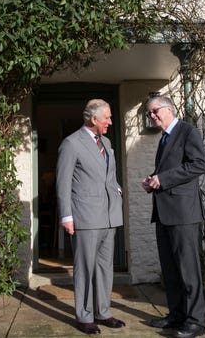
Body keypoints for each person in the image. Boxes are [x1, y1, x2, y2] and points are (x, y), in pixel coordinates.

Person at [56, 99, 125, 335]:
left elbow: (110, 176)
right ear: (94, 119)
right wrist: (66, 216)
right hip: (85, 216)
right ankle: (84, 316)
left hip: (109, 215)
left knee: (105, 267)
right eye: (107, 117)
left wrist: (117, 190)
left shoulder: (106, 142)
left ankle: (103, 312)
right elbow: (62, 183)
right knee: (84, 268)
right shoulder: (71, 143)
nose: (110, 122)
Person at [141, 95, 205, 338]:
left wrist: (164, 179)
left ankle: (196, 321)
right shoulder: (164, 138)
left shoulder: (186, 131)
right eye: (149, 114)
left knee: (188, 270)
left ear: (169, 108)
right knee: (170, 270)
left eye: (155, 111)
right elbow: (169, 170)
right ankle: (177, 315)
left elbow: (199, 164)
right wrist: (153, 179)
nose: (152, 116)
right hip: (164, 213)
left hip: (183, 214)